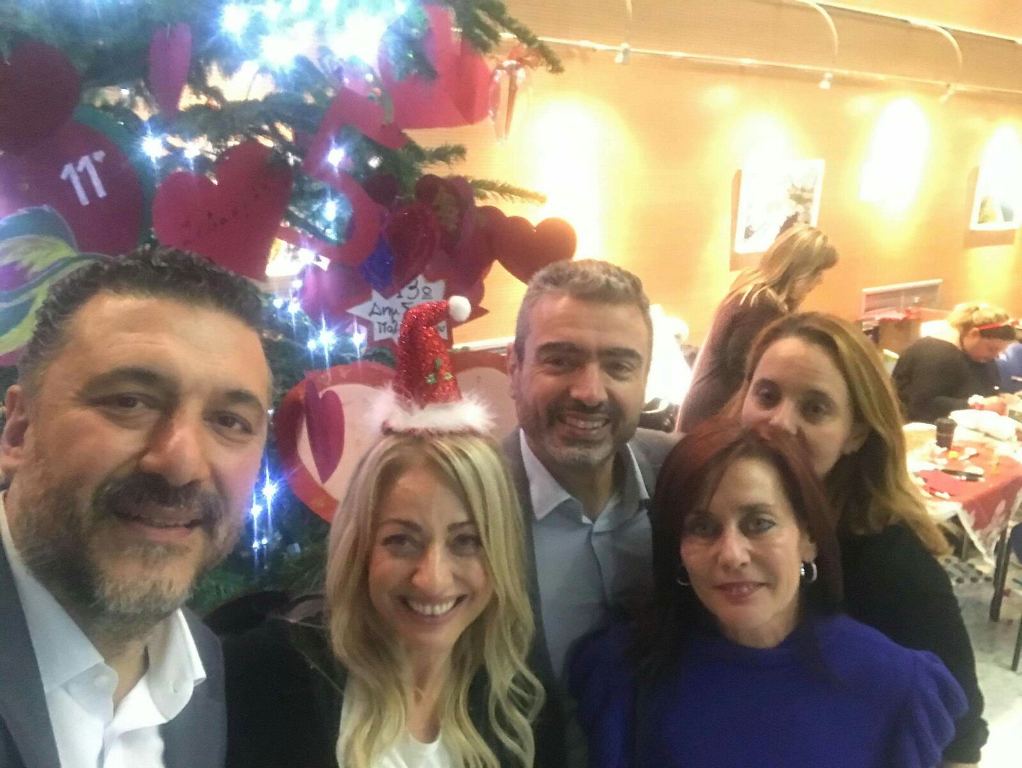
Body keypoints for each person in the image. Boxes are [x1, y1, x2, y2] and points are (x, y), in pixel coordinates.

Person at [224, 299, 552, 768]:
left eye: (466, 541)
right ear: (360, 546)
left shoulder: (517, 700)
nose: (432, 579)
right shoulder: (269, 681)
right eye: (401, 541)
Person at [0, 246, 272, 768]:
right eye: (130, 401)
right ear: (18, 431)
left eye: (229, 421)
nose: (181, 463)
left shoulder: (203, 666)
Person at [570, 419, 966, 768]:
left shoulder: (892, 685)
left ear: (807, 537)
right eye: (703, 528)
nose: (732, 555)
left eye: (759, 523)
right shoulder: (624, 674)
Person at [736, 312, 987, 766]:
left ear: (854, 433)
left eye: (815, 408)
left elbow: (959, 742)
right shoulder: (711, 520)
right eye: (767, 395)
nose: (780, 422)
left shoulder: (894, 568)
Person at [504, 259, 677, 766]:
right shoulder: (464, 503)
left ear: (644, 379)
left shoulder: (688, 478)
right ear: (514, 369)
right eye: (560, 361)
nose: (590, 392)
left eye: (619, 366)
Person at [680, 224, 838, 432]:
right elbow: (749, 377)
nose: (819, 281)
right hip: (713, 422)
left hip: (708, 417)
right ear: (797, 269)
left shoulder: (752, 295)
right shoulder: (759, 308)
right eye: (816, 272)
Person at [893, 302, 1017, 422]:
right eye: (991, 349)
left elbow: (986, 391)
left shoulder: (983, 358)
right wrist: (977, 405)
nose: (995, 356)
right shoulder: (933, 353)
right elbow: (922, 406)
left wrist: (1001, 399)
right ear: (973, 334)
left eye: (1000, 351)